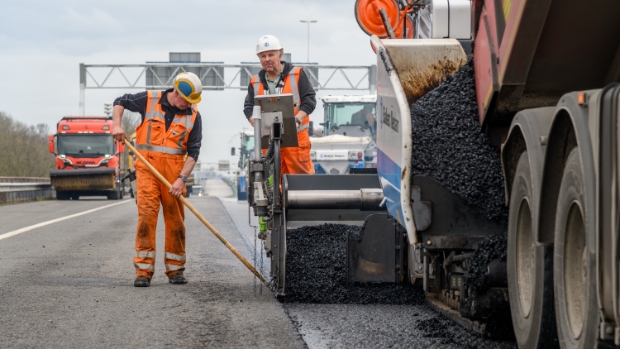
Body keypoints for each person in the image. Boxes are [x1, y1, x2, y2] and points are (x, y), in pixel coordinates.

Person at [111, 72, 203, 287]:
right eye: (186, 101)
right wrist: (117, 125)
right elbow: (119, 102)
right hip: (146, 170)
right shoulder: (149, 99)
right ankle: (143, 271)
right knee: (147, 217)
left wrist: (181, 179)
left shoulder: (193, 115)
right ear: (176, 93)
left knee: (176, 222)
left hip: (174, 175)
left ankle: (175, 269)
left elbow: (194, 152)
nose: (187, 105)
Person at [243, 35, 316, 175]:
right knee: (271, 184)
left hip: (296, 140)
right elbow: (248, 108)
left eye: (271, 54)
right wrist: (256, 123)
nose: (267, 59)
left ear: (280, 55)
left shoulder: (297, 74)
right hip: (268, 140)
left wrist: (297, 120)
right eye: (263, 56)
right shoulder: (255, 82)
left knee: (301, 183)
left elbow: (309, 101)